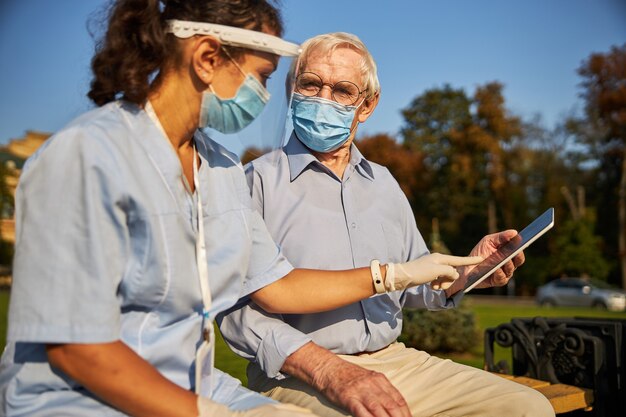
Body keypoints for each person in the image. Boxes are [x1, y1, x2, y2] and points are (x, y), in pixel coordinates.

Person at [0, 2, 482, 417]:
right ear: (208, 57)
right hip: (77, 400)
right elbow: (73, 349)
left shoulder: (221, 168)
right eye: (263, 77)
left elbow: (277, 288)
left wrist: (403, 275)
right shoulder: (86, 155)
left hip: (195, 387)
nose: (267, 97)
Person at [219, 33, 555, 417]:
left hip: (397, 361)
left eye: (343, 90)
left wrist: (470, 271)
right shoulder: (253, 182)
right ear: (291, 90)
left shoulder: (384, 183)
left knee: (526, 406)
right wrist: (327, 370)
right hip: (301, 374)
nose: (323, 99)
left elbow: (415, 283)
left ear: (367, 106)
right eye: (310, 84)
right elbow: (234, 311)